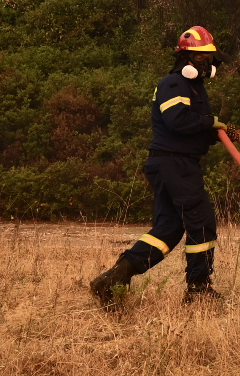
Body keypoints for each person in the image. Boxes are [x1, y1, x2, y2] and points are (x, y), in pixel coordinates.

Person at [90, 26, 229, 307]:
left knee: (168, 229)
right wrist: (209, 123)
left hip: (172, 163)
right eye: (201, 57)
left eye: (209, 58)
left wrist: (216, 132)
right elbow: (178, 121)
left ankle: (114, 279)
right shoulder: (174, 83)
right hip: (175, 164)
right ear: (186, 58)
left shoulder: (194, 87)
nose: (207, 64)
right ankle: (199, 289)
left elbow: (191, 127)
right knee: (202, 223)